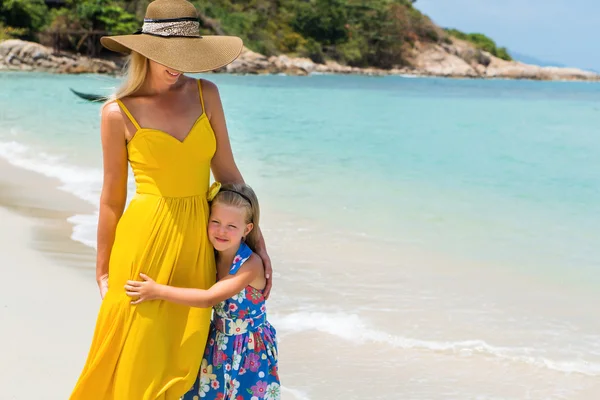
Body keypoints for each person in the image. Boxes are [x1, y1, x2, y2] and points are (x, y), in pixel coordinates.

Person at [69, 1, 273, 399]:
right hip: (143, 241)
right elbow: (112, 199)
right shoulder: (117, 113)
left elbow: (229, 175)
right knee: (135, 356)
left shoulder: (205, 93)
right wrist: (102, 272)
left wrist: (259, 243)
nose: (176, 64)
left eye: (185, 54)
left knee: (183, 359)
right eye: (167, 54)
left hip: (198, 240)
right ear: (145, 50)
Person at [125, 183, 280, 400]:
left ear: (247, 230)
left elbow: (209, 299)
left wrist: (156, 290)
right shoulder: (209, 257)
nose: (222, 231)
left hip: (249, 349)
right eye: (215, 222)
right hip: (217, 343)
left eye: (231, 226)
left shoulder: (250, 264)